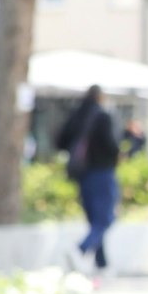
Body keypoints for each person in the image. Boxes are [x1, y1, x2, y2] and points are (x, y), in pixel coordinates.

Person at [54, 85, 120, 272]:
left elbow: (60, 141)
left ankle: (102, 264)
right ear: (100, 97)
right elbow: (110, 146)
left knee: (95, 220)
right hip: (102, 172)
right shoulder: (102, 116)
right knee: (105, 218)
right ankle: (80, 249)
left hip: (82, 174)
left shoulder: (77, 115)